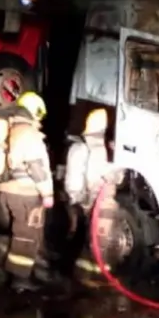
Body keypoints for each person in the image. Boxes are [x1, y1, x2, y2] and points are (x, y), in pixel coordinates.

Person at [0, 91, 55, 291]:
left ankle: (24, 272)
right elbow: (36, 166)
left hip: (8, 190)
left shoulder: (13, 129)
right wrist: (47, 193)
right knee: (25, 235)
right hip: (25, 192)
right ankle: (20, 281)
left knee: (24, 233)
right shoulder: (28, 133)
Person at [63, 108, 112, 286]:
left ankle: (83, 275)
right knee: (97, 239)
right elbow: (94, 177)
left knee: (88, 237)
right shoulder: (97, 149)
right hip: (93, 200)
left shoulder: (80, 147)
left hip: (81, 199)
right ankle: (87, 278)